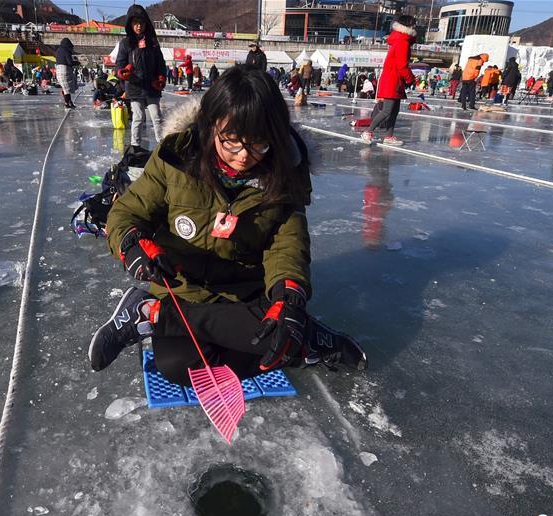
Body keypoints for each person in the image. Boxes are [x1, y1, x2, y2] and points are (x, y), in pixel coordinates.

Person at [88, 65, 366, 384]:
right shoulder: (176, 159)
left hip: (245, 295)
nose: (244, 155)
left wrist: (288, 298)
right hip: (184, 287)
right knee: (179, 366)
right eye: (231, 141)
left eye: (258, 143)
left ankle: (152, 314)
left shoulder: (285, 174)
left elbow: (287, 246)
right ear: (211, 126)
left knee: (278, 337)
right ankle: (304, 340)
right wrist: (132, 244)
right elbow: (126, 212)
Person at [116, 4, 166, 149]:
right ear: (130, 24)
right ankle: (135, 147)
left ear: (146, 24)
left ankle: (162, 146)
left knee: (156, 117)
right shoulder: (126, 43)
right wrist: (123, 72)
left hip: (152, 86)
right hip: (134, 87)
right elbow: (119, 64)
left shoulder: (153, 42)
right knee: (138, 117)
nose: (138, 26)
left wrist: (161, 78)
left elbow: (161, 64)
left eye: (141, 23)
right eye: (135, 23)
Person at [361, 15, 416, 146]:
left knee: (394, 111)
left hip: (394, 79)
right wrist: (410, 78)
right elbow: (402, 64)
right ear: (408, 26)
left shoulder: (401, 39)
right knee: (387, 110)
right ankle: (368, 131)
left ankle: (389, 136)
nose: (415, 27)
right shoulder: (403, 41)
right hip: (393, 80)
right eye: (413, 24)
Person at [55, 38, 77, 108]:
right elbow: (69, 62)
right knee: (67, 88)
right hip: (65, 70)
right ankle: (67, 103)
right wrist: (77, 62)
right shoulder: (66, 51)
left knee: (65, 88)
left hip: (58, 70)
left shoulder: (58, 50)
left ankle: (68, 102)